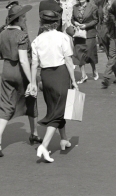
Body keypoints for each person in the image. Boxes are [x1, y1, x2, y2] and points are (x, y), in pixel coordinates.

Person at [30, 10, 79, 163]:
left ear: (41, 23)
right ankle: (44, 146)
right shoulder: (63, 37)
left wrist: (33, 82)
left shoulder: (37, 40)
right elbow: (69, 61)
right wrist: (74, 81)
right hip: (60, 75)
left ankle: (63, 139)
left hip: (45, 76)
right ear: (56, 23)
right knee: (60, 110)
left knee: (54, 107)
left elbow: (34, 64)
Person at [0, 4, 39, 157]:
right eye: (23, 17)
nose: (25, 19)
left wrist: (8, 54)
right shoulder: (22, 36)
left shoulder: (2, 34)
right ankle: (34, 133)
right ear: (18, 20)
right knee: (30, 99)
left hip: (6, 71)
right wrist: (31, 81)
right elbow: (24, 60)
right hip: (20, 72)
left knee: (6, 105)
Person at [72, 0, 99, 83]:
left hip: (89, 33)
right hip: (79, 34)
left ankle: (94, 70)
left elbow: (96, 20)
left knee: (90, 53)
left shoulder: (93, 7)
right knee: (79, 54)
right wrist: (75, 23)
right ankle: (83, 75)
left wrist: (86, 26)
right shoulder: (75, 7)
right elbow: (72, 19)